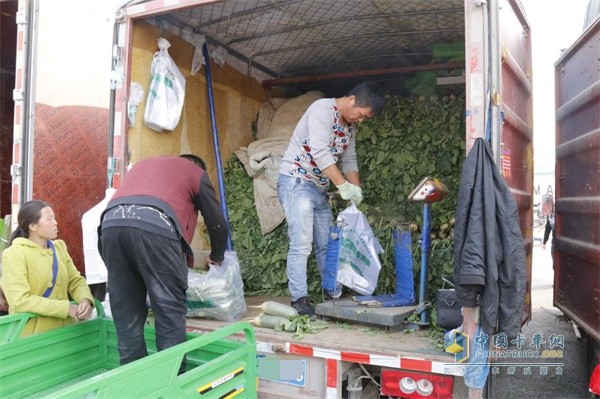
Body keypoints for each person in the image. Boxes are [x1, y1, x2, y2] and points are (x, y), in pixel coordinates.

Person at [98, 154, 228, 369]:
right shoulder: (196, 173)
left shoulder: (142, 166)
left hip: (110, 228)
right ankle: (171, 380)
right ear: (198, 166)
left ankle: (134, 382)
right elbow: (217, 223)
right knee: (168, 310)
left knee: (126, 311)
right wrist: (216, 256)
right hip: (155, 227)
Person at [277, 81, 385, 317]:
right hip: (296, 182)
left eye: (366, 119)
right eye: (362, 115)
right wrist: (343, 186)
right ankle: (299, 299)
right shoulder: (322, 110)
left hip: (319, 189)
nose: (361, 121)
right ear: (352, 99)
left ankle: (332, 293)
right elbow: (320, 152)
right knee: (302, 244)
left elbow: (349, 160)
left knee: (328, 245)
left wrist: (356, 190)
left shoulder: (350, 128)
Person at [0, 200, 95, 335]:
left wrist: (85, 300)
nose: (55, 223)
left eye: (54, 218)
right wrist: (67, 308)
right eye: (49, 219)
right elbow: (20, 301)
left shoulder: (59, 248)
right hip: (33, 334)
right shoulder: (15, 253)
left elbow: (76, 280)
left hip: (66, 330)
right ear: (32, 226)